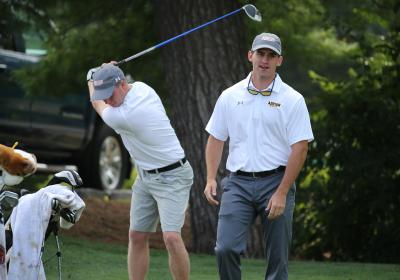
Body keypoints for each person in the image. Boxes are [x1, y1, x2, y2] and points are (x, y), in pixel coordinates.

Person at [203, 33, 314, 280]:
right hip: (238, 184)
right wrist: (211, 177)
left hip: (277, 182)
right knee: (225, 248)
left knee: (277, 261)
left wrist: (282, 192)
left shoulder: (293, 99)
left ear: (279, 60)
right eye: (261, 54)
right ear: (250, 56)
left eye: (271, 55)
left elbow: (300, 148)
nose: (265, 60)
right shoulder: (229, 96)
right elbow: (216, 138)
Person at [86, 63, 193, 280]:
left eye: (109, 94)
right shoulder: (143, 88)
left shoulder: (125, 115)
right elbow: (107, 95)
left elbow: (96, 103)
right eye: (103, 94)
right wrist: (105, 74)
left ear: (122, 84)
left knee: (171, 237)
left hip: (173, 176)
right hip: (145, 176)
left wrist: (91, 76)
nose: (106, 99)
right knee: (136, 235)